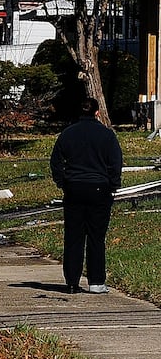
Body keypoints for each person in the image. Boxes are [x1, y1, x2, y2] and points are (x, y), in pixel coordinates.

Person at [49, 96, 123, 294]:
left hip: (74, 187)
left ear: (80, 112)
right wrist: (113, 185)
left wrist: (62, 182)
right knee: (96, 237)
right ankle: (96, 281)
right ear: (97, 112)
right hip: (99, 188)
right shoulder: (107, 135)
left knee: (73, 236)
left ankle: (72, 282)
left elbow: (56, 161)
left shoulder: (67, 134)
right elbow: (115, 163)